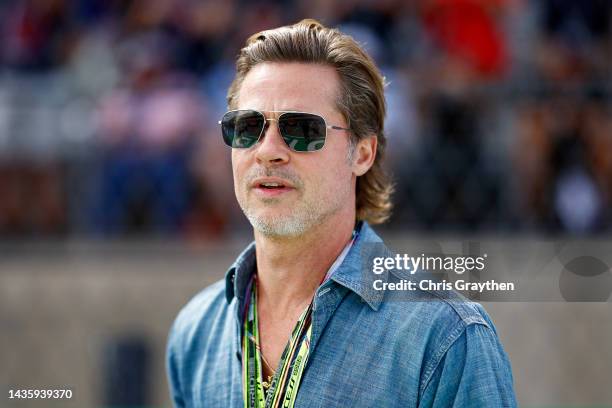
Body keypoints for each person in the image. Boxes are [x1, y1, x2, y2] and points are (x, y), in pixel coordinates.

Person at [166, 19, 516, 408]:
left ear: (362, 152)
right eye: (248, 127)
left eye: (301, 129)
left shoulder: (445, 338)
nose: (267, 150)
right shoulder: (195, 332)